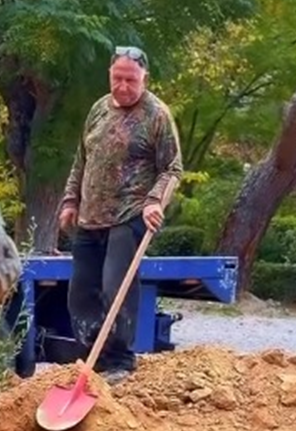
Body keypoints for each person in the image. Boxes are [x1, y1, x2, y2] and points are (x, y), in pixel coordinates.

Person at [59, 45, 182, 383]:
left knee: (117, 288)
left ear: (144, 78)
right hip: (90, 217)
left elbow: (172, 168)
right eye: (117, 77)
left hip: (129, 216)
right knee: (81, 292)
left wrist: (155, 201)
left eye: (131, 79)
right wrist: (70, 201)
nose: (123, 86)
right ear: (110, 75)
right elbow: (81, 160)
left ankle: (119, 362)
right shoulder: (99, 109)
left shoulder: (156, 115)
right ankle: (90, 359)